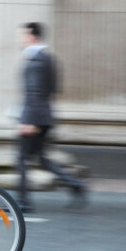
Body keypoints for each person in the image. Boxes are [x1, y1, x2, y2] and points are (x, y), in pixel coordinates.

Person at [17, 22, 87, 213]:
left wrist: (28, 121)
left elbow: (34, 92)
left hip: (35, 117)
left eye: (24, 36)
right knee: (40, 158)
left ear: (33, 37)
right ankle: (75, 184)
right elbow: (54, 88)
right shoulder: (49, 59)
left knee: (22, 158)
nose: (22, 39)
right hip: (45, 114)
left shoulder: (36, 61)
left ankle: (23, 202)